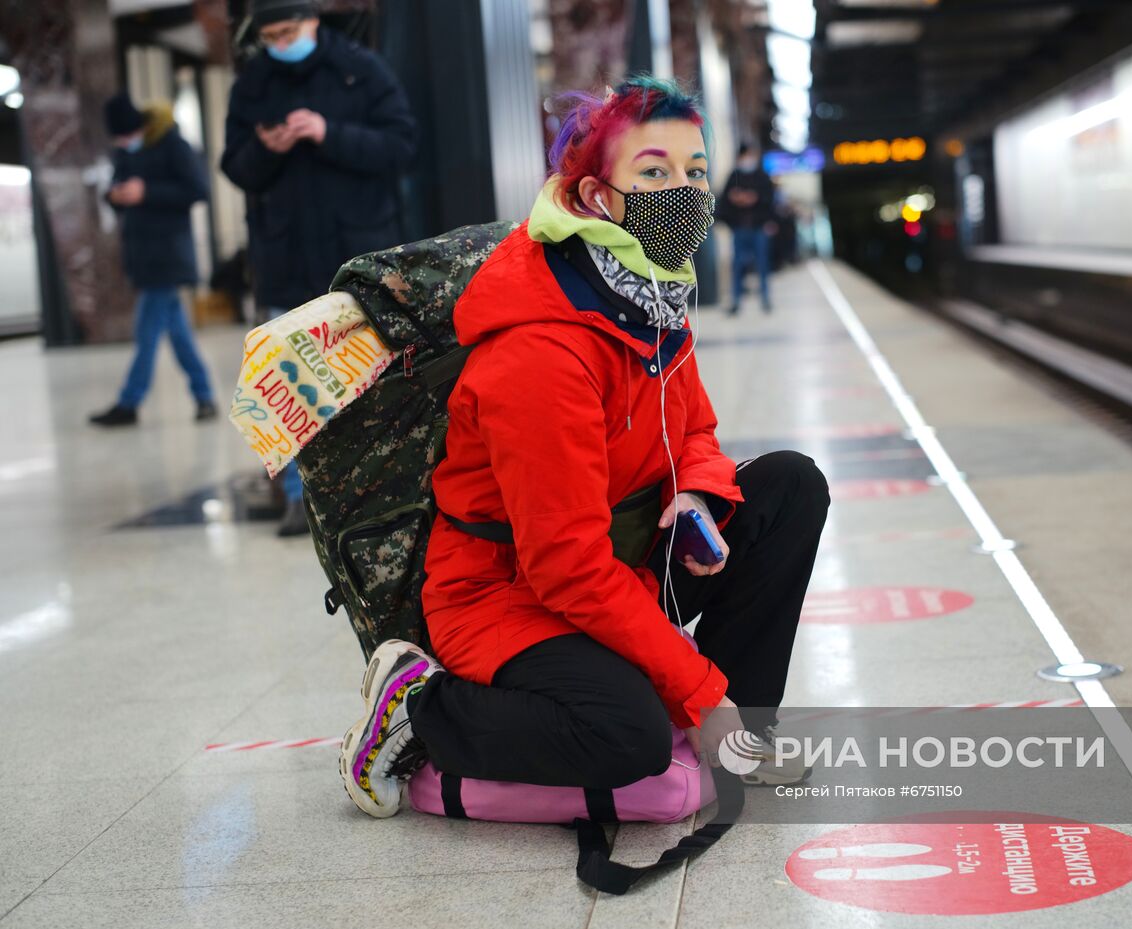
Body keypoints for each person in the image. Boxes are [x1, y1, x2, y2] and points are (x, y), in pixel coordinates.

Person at [337, 78, 830, 818]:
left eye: (696, 171)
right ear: (600, 198)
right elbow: (564, 567)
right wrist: (696, 689)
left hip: (617, 556)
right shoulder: (542, 351)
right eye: (656, 173)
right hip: (505, 593)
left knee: (790, 486)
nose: (687, 192)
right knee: (624, 734)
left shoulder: (649, 294)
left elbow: (693, 426)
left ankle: (736, 738)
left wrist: (693, 491)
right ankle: (422, 707)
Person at [221, 0, 416, 536]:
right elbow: (235, 166)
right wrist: (268, 148)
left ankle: (380, 494)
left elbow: (400, 145)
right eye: (271, 36)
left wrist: (328, 133)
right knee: (288, 378)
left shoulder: (360, 68)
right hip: (285, 255)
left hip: (358, 255)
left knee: (369, 378)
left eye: (290, 31)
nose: (282, 43)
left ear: (312, 23)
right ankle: (298, 499)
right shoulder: (252, 83)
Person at [89, 93, 216, 428]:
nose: (123, 143)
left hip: (168, 255)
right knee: (177, 333)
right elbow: (115, 187)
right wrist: (114, 196)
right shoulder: (124, 150)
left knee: (146, 331)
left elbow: (198, 189)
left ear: (140, 127)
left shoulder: (174, 144)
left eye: (127, 136)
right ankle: (204, 396)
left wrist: (148, 192)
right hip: (141, 255)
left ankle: (129, 403)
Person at [716, 142, 777, 316]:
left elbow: (769, 199)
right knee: (738, 265)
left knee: (762, 264)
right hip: (739, 227)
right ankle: (735, 300)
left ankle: (765, 298)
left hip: (758, 227)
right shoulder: (733, 176)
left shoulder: (762, 176)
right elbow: (725, 199)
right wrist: (736, 198)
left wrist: (754, 198)